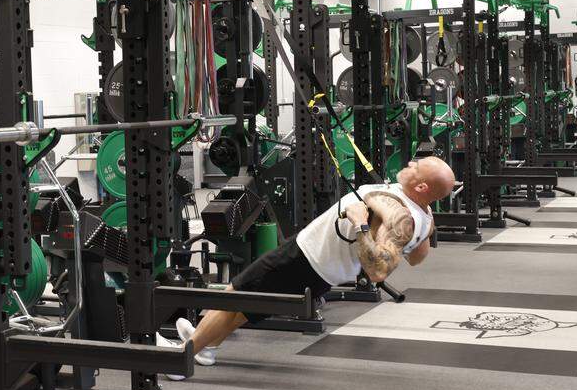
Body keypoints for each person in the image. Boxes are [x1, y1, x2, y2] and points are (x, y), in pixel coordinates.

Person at [160, 157, 455, 374]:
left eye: (418, 166)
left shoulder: (400, 215)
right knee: (248, 303)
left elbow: (378, 271)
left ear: (422, 185)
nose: (412, 162)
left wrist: (362, 224)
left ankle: (180, 360)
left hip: (306, 259)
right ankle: (207, 346)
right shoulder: (424, 216)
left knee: (234, 294)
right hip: (321, 267)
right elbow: (417, 257)